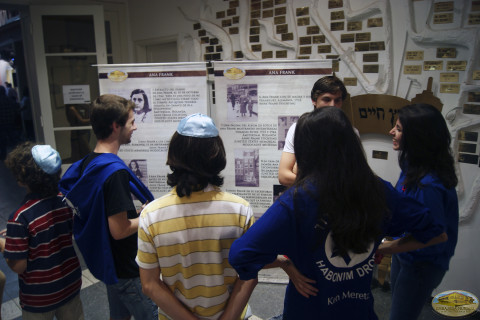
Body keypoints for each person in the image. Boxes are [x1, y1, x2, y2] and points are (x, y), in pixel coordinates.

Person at [229, 107, 448, 320]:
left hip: (310, 309)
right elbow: (436, 232)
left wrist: (285, 263)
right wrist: (382, 248)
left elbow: (241, 254)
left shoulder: (297, 201)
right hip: (359, 310)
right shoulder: (378, 189)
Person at [136, 113, 258, 320]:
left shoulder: (151, 215)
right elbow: (248, 276)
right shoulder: (240, 210)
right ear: (216, 155)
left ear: (174, 154)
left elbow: (149, 284)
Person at [59, 94, 157, 320]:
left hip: (109, 263)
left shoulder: (88, 163)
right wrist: (150, 216)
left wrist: (137, 213)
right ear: (116, 126)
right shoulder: (114, 174)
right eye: (131, 122)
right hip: (127, 269)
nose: (135, 127)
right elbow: (119, 229)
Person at [387, 103, 459, 320]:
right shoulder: (412, 167)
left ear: (417, 137)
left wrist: (386, 248)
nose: (392, 132)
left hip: (422, 264)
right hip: (406, 255)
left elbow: (437, 235)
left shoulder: (429, 185)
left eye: (398, 128)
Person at [0, 142, 84, 319]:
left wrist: (6, 244)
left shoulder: (20, 218)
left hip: (39, 298)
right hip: (70, 285)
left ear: (21, 180)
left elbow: (18, 265)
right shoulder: (65, 202)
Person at [278, 75, 350, 187]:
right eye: (326, 99)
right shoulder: (298, 129)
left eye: (337, 100)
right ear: (314, 100)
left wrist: (301, 174)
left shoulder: (350, 132)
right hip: (307, 198)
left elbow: (352, 176)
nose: (332, 105)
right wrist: (327, 184)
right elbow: (284, 176)